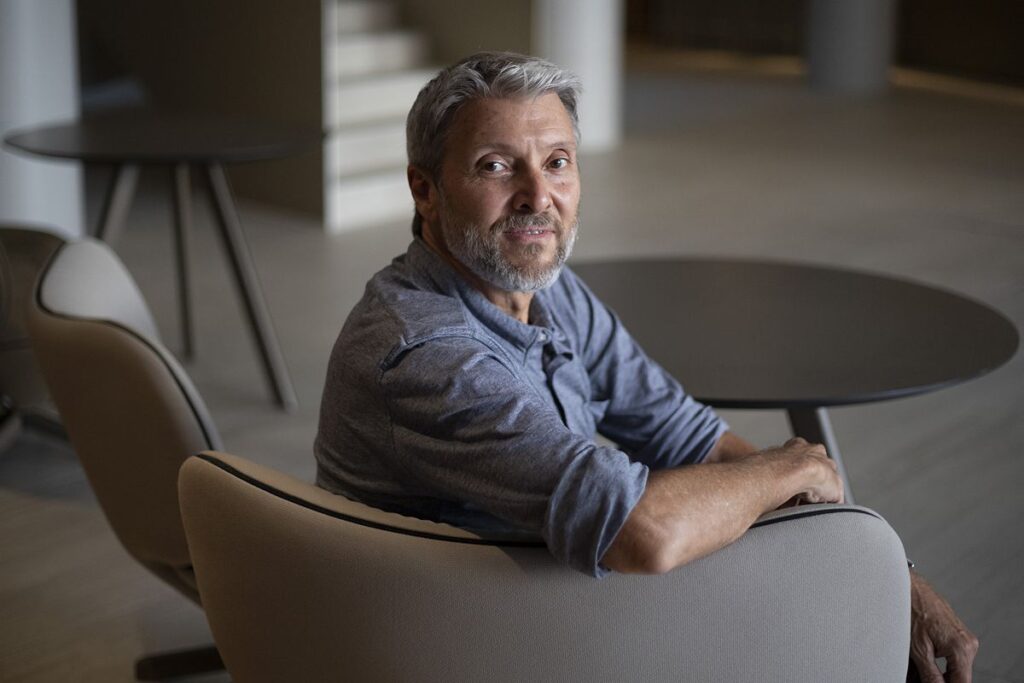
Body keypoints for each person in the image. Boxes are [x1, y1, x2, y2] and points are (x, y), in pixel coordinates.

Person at [315, 51, 978, 681]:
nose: (538, 196)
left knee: (833, 599)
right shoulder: (426, 354)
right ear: (425, 190)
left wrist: (895, 579)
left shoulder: (544, 289)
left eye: (557, 162)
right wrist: (791, 467)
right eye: (496, 166)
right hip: (467, 639)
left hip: (533, 595)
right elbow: (641, 532)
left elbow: (686, 434)